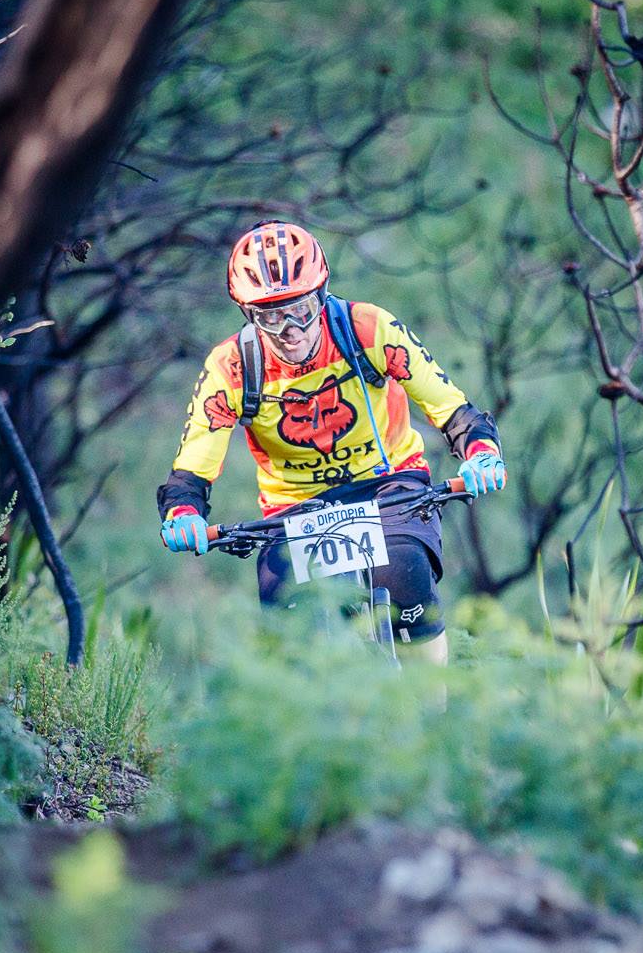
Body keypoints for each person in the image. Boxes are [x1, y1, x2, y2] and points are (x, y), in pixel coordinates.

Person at [156, 221, 504, 663]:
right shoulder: (233, 367)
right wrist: (183, 509)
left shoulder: (368, 329)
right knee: (291, 625)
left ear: (321, 294)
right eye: (270, 315)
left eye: (300, 309)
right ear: (247, 313)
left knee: (404, 572)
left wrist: (481, 451)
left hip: (389, 485)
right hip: (293, 508)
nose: (290, 330)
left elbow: (448, 405)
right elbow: (195, 458)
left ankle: (433, 712)